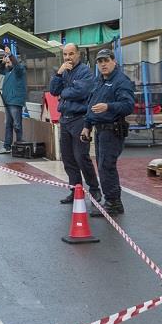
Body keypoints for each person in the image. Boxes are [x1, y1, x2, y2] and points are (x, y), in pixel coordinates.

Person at [82, 49, 136, 217]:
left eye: (106, 60)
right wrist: (87, 125)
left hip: (112, 129)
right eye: (100, 61)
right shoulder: (99, 81)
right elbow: (92, 104)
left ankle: (112, 202)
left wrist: (109, 106)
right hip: (100, 130)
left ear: (114, 61)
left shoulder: (121, 81)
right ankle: (114, 201)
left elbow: (128, 105)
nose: (103, 64)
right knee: (103, 166)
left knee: (107, 167)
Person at [48, 43, 97, 204]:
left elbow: (81, 91)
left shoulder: (85, 72)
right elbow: (53, 91)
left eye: (71, 54)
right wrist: (59, 74)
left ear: (78, 54)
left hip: (80, 118)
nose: (68, 57)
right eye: (65, 55)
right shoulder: (64, 71)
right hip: (65, 118)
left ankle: (94, 189)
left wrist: (64, 92)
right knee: (68, 157)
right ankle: (75, 190)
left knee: (81, 156)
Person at [0, 46, 27, 154]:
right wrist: (2, 61)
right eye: (6, 63)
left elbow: (17, 66)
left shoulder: (19, 69)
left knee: (17, 124)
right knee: (8, 124)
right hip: (8, 101)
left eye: (9, 62)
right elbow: (0, 70)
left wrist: (10, 55)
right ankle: (7, 146)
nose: (7, 64)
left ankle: (19, 144)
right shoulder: (7, 71)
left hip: (15, 101)